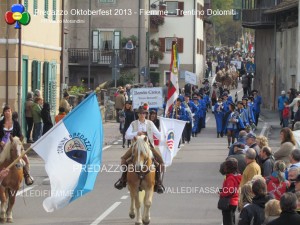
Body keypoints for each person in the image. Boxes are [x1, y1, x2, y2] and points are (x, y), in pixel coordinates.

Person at [114, 106, 165, 194]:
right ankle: (123, 180)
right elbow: (127, 135)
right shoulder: (133, 123)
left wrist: (165, 139)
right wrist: (136, 133)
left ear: (146, 114)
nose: (142, 115)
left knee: (160, 161)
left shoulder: (150, 123)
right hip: (136, 146)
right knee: (124, 159)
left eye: (144, 113)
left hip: (148, 146)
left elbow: (158, 134)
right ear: (138, 114)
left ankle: (159, 182)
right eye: (140, 113)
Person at [0, 105, 34, 186]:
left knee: (25, 158)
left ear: (11, 112)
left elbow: (20, 135)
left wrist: (16, 141)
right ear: (4, 113)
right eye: (5, 111)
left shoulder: (16, 123)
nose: (7, 113)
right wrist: (1, 142)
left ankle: (27, 175)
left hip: (14, 145)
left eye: (9, 111)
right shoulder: (0, 123)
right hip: (2, 145)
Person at [219, 158, 242, 225]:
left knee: (227, 221)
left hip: (229, 202)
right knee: (232, 219)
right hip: (235, 201)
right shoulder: (238, 176)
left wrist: (221, 193)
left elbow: (230, 190)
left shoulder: (230, 178)